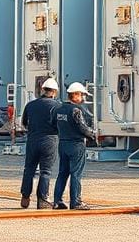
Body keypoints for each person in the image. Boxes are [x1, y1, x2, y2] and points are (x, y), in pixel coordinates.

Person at [52, 82, 95, 210]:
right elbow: (82, 127)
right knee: (76, 173)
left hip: (63, 143)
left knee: (62, 173)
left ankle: (57, 201)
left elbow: (53, 124)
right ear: (75, 95)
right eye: (81, 95)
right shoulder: (76, 110)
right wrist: (92, 136)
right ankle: (75, 202)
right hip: (76, 145)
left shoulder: (58, 109)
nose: (82, 98)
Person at [19, 77, 61, 209]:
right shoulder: (58, 106)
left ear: (42, 90)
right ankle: (42, 199)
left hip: (32, 140)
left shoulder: (30, 105)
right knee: (45, 171)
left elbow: (24, 123)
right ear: (54, 92)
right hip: (49, 140)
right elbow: (60, 125)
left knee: (29, 169)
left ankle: (25, 196)